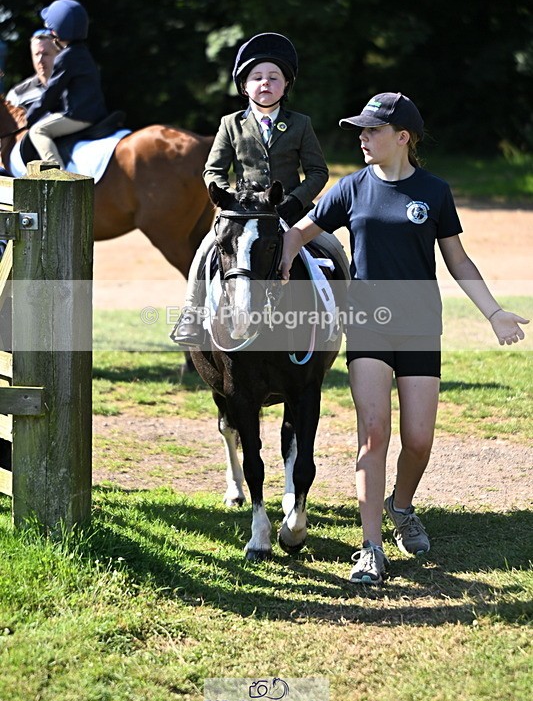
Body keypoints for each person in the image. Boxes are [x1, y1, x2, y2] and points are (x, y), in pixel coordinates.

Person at [279, 92, 529, 585]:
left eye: (372, 131)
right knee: (373, 436)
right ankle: (370, 547)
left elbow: (457, 259)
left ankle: (402, 504)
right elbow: (299, 232)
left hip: (419, 324)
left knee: (418, 440)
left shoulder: (435, 192)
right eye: (361, 131)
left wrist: (494, 312)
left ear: (403, 138)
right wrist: (281, 264)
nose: (363, 138)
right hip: (368, 324)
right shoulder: (350, 188)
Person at [171, 32, 349, 346]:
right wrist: (227, 198)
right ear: (244, 86)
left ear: (286, 85)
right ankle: (190, 314)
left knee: (333, 247)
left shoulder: (300, 124)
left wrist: (296, 201)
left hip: (290, 212)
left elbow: (318, 171)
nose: (265, 83)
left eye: (273, 77)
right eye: (257, 77)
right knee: (204, 250)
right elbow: (213, 170)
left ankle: (346, 315)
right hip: (243, 214)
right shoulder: (230, 124)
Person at [24, 0, 107, 169]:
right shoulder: (83, 52)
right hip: (96, 112)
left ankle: (59, 176)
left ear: (56, 31)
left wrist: (28, 118)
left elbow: (51, 94)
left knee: (38, 131)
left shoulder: (65, 57)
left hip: (78, 116)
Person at [6, 30, 60, 109]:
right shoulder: (17, 94)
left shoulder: (75, 87)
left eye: (45, 54)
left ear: (59, 54)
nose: (40, 60)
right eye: (36, 54)